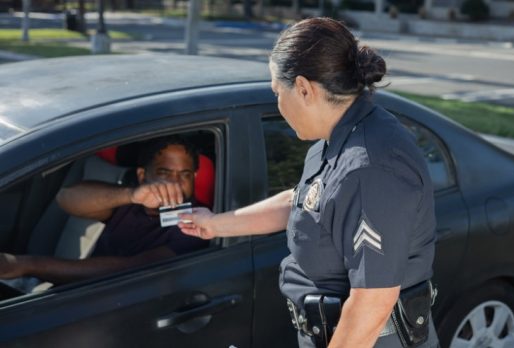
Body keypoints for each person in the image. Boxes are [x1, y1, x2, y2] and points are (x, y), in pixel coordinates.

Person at [178, 18, 438, 348]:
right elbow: (304, 201)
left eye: (276, 92)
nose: (277, 104)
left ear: (303, 88)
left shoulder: (369, 169)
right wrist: (215, 225)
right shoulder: (336, 140)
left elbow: (371, 304)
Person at [0, 136, 208, 286]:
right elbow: (66, 198)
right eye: (164, 173)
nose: (174, 183)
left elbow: (130, 269)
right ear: (142, 175)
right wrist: (131, 195)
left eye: (185, 175)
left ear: (194, 178)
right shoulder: (133, 200)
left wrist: (28, 264)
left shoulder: (197, 221)